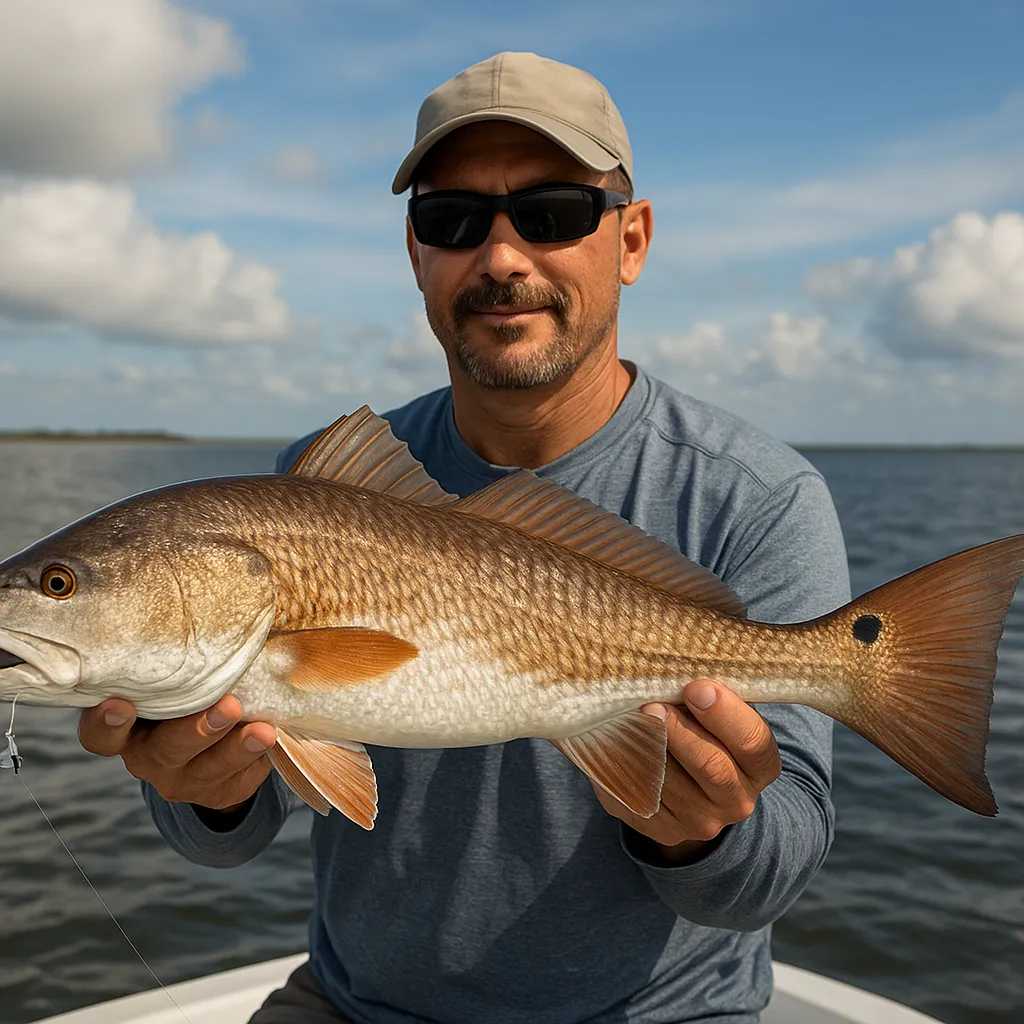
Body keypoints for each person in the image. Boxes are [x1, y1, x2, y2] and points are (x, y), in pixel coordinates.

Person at [79, 52, 850, 1023]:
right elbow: (225, 835)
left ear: (632, 239)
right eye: (452, 220)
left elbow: (771, 874)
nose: (502, 258)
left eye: (554, 212)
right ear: (416, 254)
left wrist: (699, 835)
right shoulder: (311, 488)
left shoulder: (759, 496)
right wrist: (205, 790)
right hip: (357, 1005)